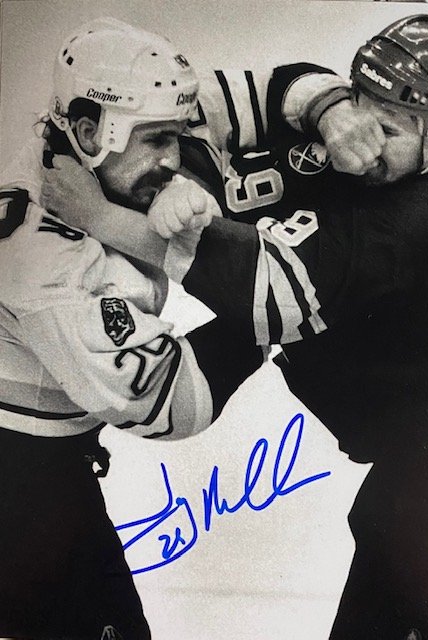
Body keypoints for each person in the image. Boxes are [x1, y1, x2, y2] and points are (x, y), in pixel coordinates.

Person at [41, 14, 428, 640]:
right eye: (360, 117)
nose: (360, 149)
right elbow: (274, 88)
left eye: (386, 131)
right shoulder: (393, 165)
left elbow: (275, 296)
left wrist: (100, 216)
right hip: (412, 475)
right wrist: (330, 109)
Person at [0, 17, 264, 639]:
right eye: (156, 141)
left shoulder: (70, 143)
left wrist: (329, 107)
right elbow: (174, 404)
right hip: (22, 487)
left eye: (176, 134)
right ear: (90, 133)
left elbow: (262, 93)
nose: (173, 161)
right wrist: (270, 304)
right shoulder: (45, 266)